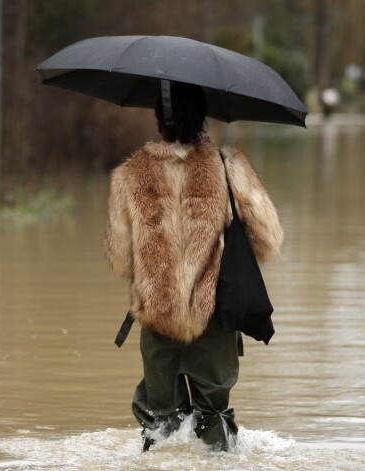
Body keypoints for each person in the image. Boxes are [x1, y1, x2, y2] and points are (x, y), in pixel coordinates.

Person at [105, 81, 284, 451]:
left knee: (160, 426)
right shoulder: (227, 166)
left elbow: (121, 260)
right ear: (203, 118)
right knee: (215, 423)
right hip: (214, 320)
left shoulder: (130, 176)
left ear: (158, 119)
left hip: (158, 321)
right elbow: (269, 241)